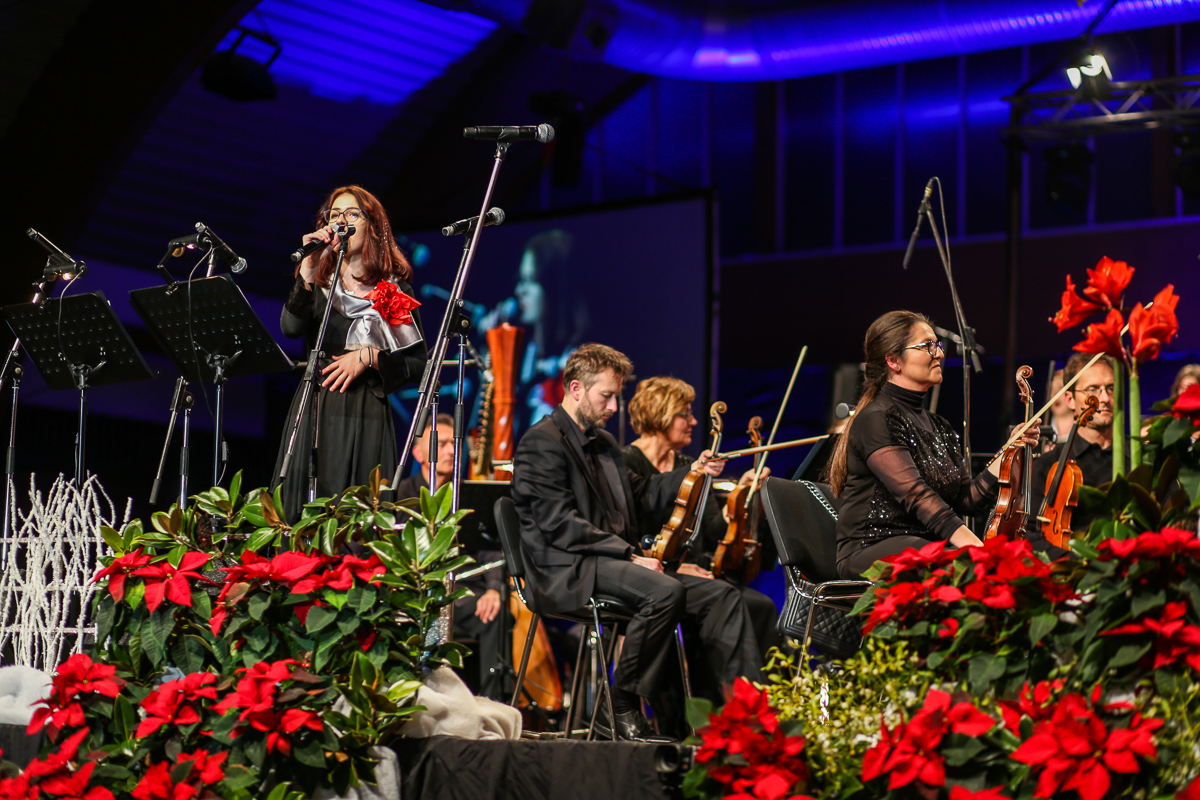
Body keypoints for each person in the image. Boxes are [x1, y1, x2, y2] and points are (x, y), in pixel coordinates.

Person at [510, 344, 763, 741]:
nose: (613, 407)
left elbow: (642, 497)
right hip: (566, 569)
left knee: (722, 596)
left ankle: (740, 716)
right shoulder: (540, 443)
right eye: (605, 396)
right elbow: (557, 524)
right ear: (576, 389)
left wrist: (692, 474)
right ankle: (622, 702)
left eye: (616, 396)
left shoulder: (607, 446)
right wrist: (629, 554)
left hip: (607, 562)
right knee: (663, 592)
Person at [828, 311, 1040, 578]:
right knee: (967, 567)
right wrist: (978, 549)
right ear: (893, 360)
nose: (939, 353)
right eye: (927, 346)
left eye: (937, 345)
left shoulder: (939, 425)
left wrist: (1009, 451)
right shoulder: (876, 418)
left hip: (923, 546)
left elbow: (967, 499)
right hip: (872, 550)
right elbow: (917, 496)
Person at [273, 185, 427, 522]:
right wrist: (309, 268)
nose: (341, 220)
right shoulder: (321, 281)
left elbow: (419, 367)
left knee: (357, 518)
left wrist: (370, 357)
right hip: (317, 405)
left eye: (352, 214)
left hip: (365, 411)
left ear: (372, 225)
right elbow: (290, 328)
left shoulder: (389, 290)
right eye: (334, 215)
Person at [621, 376, 782, 667]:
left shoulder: (687, 466)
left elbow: (712, 530)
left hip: (696, 574)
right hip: (649, 575)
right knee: (728, 603)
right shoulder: (624, 463)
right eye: (686, 414)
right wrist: (678, 566)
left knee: (762, 606)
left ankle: (762, 703)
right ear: (662, 414)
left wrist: (742, 498)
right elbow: (624, 536)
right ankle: (721, 699)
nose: (694, 422)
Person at [396, 414, 507, 700]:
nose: (449, 450)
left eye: (452, 444)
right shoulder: (402, 495)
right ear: (419, 453)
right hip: (418, 597)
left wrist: (493, 589)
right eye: (441, 444)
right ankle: (425, 700)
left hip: (460, 594)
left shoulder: (466, 494)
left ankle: (492, 703)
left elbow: (488, 546)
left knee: (497, 613)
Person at [1027, 353, 1117, 547]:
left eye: (1111, 388)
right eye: (1093, 389)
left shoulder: (1136, 459)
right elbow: (1030, 534)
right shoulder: (1047, 464)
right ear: (1069, 399)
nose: (1105, 398)